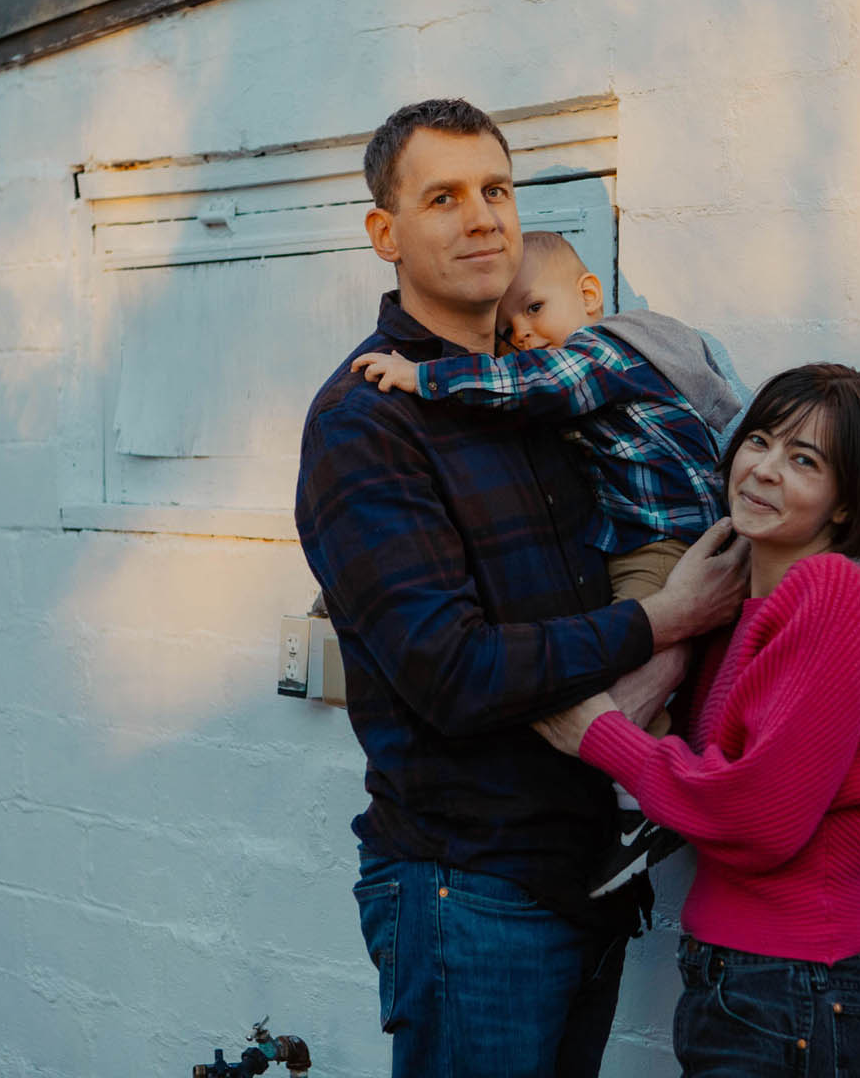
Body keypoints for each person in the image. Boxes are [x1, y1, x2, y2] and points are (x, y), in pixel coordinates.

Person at [293, 97, 749, 1078]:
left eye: (496, 190)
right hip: (474, 894)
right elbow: (451, 671)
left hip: (588, 879)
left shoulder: (550, 390)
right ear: (385, 233)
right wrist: (664, 618)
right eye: (443, 198)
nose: (482, 218)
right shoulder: (366, 424)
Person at [535, 362, 860, 1077]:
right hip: (753, 987)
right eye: (760, 441)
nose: (764, 469)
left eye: (804, 461)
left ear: (846, 503)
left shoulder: (830, 591)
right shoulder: (748, 611)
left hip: (797, 990)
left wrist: (600, 734)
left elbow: (758, 818)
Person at [347, 228, 742, 897]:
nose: (523, 334)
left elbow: (532, 385)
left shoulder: (605, 350)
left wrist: (424, 376)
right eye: (508, 329)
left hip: (670, 540)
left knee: (627, 655)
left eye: (534, 308)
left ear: (588, 294)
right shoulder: (601, 369)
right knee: (617, 645)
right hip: (642, 537)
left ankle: (643, 805)